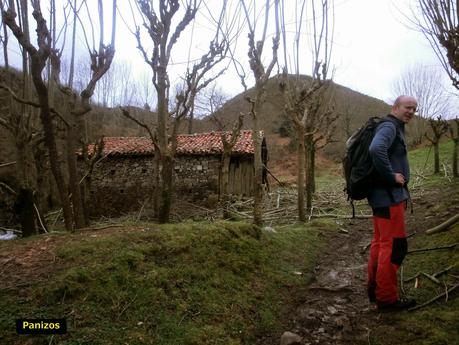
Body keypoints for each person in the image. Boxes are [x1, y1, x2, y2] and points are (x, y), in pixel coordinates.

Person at [366, 95, 417, 310]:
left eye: (414, 109)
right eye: (408, 107)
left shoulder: (393, 126)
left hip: (382, 197)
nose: (411, 112)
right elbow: (376, 149)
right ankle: (387, 298)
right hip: (389, 197)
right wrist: (391, 176)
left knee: (381, 243)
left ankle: (375, 289)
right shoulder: (389, 127)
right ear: (395, 107)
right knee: (394, 245)